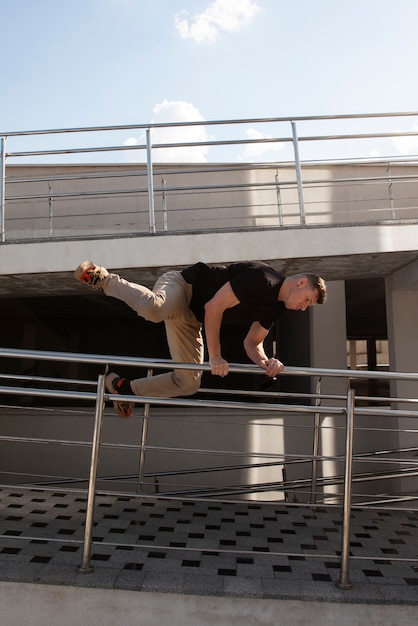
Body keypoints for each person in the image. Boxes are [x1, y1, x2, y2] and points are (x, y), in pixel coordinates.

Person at [74, 260, 327, 418]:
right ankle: (102, 279)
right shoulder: (263, 279)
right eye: (307, 300)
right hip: (183, 287)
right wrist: (215, 356)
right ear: (301, 282)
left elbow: (252, 343)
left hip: (192, 318)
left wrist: (267, 363)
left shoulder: (277, 307)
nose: (304, 307)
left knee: (188, 383)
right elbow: (214, 307)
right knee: (155, 309)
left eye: (308, 306)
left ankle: (124, 389)